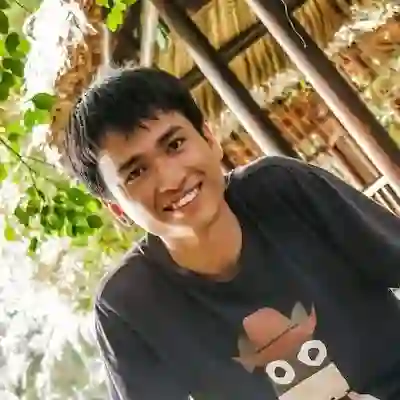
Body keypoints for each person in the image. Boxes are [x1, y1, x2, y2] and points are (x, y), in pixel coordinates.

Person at [64, 67, 400, 400]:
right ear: (118, 209)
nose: (171, 179)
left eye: (175, 144)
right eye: (137, 172)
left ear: (210, 139)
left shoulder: (282, 189)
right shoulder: (128, 307)